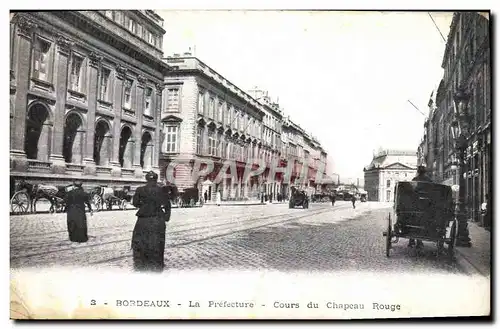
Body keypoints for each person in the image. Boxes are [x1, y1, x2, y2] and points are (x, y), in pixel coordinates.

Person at [132, 171, 171, 272]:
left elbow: (135, 203)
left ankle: (142, 263)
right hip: (158, 220)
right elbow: (167, 205)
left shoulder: (140, 189)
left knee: (141, 242)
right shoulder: (162, 190)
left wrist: (144, 206)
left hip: (143, 220)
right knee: (157, 242)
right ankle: (157, 264)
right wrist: (166, 218)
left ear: (146, 179)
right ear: (156, 179)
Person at [408, 165, 432, 249]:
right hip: (426, 206)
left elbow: (411, 192)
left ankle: (412, 240)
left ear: (418, 171)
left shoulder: (414, 180)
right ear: (425, 172)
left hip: (415, 205)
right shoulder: (429, 180)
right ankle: (419, 241)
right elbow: (432, 192)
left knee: (412, 221)